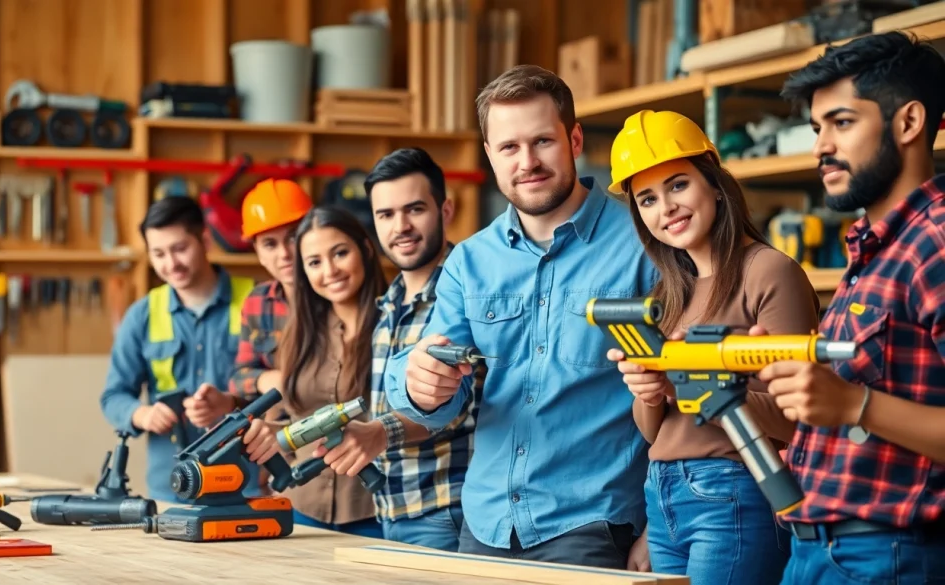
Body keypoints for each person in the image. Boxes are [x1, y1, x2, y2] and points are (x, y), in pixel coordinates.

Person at [383, 64, 657, 569]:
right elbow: (444, 400)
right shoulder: (469, 261)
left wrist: (658, 528)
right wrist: (418, 382)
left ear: (574, 139)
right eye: (509, 147)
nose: (527, 162)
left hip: (591, 524)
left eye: (542, 142)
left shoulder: (646, 243)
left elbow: (680, 401)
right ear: (489, 155)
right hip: (484, 524)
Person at [751, 31, 945, 584]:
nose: (819, 147)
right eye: (816, 128)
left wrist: (854, 404)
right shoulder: (875, 248)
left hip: (887, 558)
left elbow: (856, 405)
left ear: (908, 123)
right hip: (817, 550)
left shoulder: (937, 242)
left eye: (841, 123)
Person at [603, 109, 820, 584]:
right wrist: (649, 389)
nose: (667, 208)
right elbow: (653, 430)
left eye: (678, 185)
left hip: (735, 488)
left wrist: (704, 387)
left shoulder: (768, 272)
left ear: (715, 184)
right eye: (647, 199)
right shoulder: (667, 293)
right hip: (662, 497)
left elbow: (800, 416)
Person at [311, 147, 480, 551]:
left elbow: (457, 405)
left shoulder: (468, 292)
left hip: (446, 511)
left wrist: (378, 432)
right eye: (385, 215)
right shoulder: (388, 303)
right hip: (392, 510)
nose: (399, 226)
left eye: (415, 209)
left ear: (446, 210)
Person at [241, 205, 388, 538]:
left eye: (340, 253)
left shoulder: (394, 324)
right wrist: (271, 432)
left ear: (365, 250)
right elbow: (300, 417)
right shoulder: (302, 331)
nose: (330, 271)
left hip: (374, 511)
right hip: (300, 508)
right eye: (314, 262)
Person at [99, 196, 256, 502]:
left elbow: (285, 391)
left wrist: (231, 404)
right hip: (172, 489)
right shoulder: (143, 314)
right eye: (158, 253)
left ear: (205, 240)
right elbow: (113, 396)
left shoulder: (255, 302)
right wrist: (141, 414)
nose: (171, 264)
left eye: (180, 249)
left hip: (245, 484)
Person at [227, 178, 313, 407]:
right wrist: (266, 379)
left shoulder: (341, 293)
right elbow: (237, 378)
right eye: (270, 244)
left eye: (293, 237)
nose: (284, 253)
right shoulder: (257, 302)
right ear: (258, 252)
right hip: (282, 428)